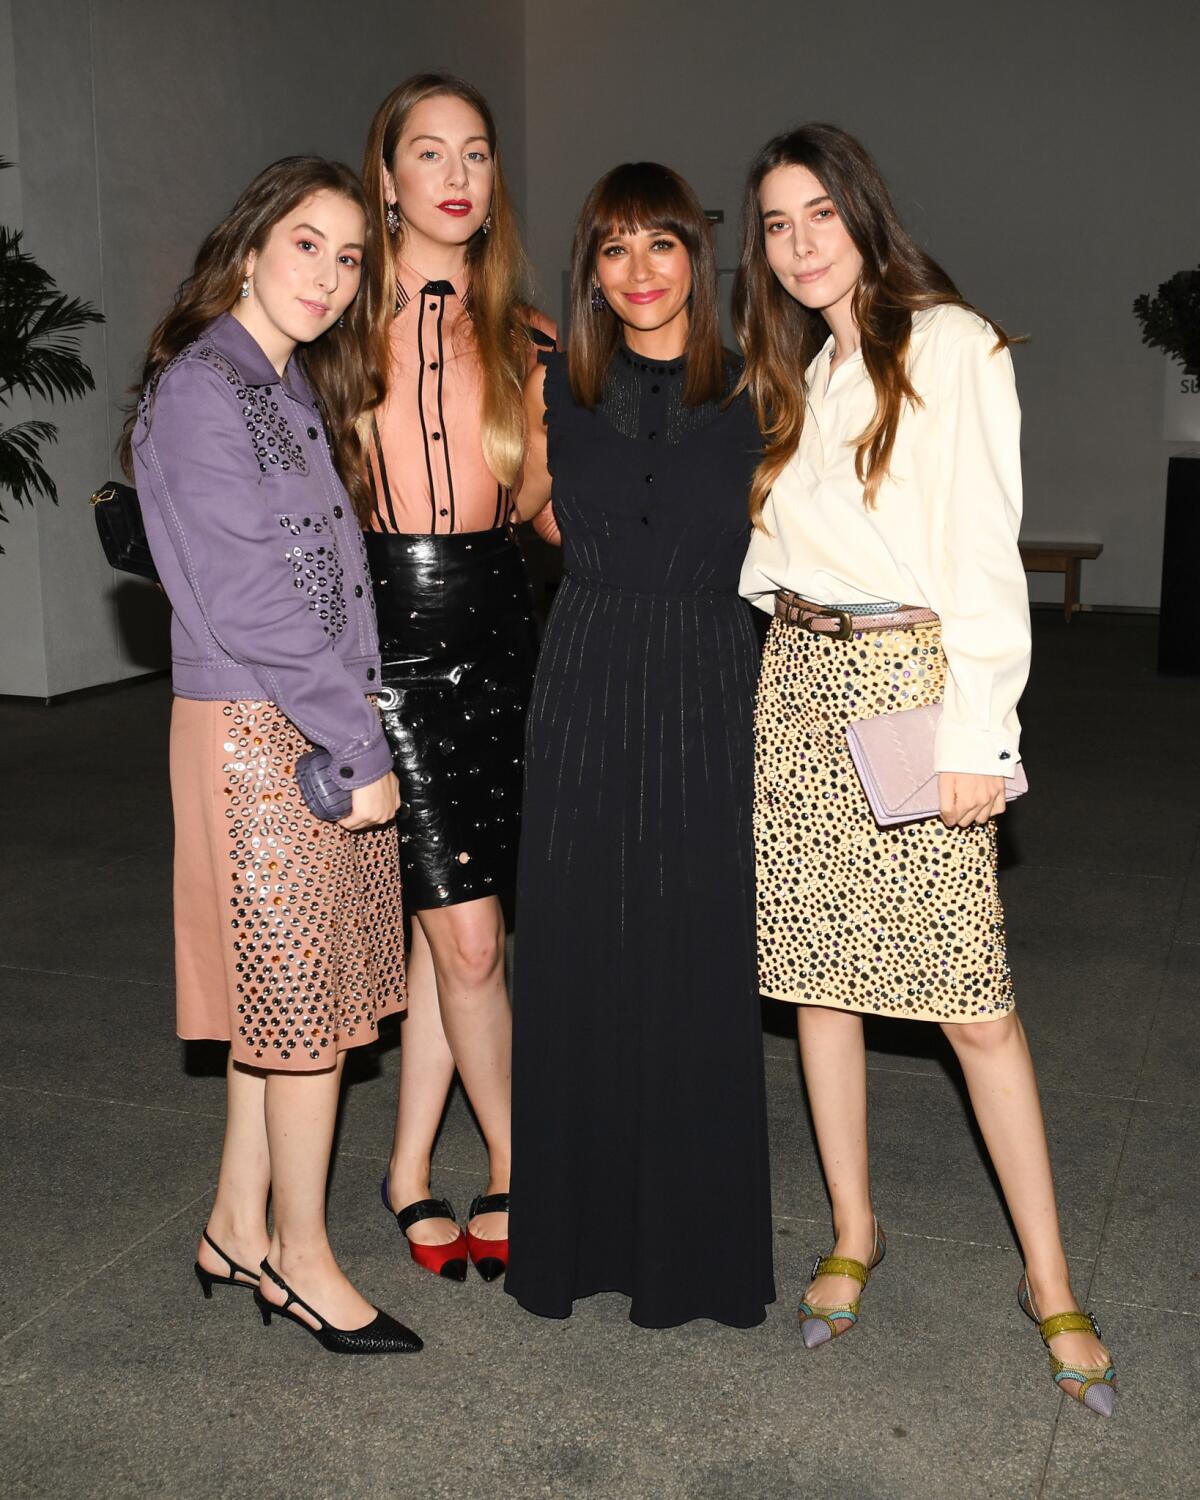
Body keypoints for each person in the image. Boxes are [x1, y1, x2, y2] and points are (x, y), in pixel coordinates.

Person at [736, 123, 1116, 1414]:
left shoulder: (950, 345)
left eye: (818, 217)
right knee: (819, 983)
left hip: (909, 690)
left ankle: (1049, 1275)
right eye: (776, 225)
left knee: (971, 1000)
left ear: (863, 214)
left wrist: (978, 737)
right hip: (796, 687)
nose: (798, 246)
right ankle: (855, 1226)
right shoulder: (798, 368)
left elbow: (980, 554)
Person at [124, 156, 420, 1355]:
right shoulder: (207, 391)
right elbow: (249, 595)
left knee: (286, 999)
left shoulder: (280, 387)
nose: (331, 276)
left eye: (352, 258)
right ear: (251, 247)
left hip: (299, 718)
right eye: (309, 244)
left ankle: (236, 1221)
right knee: (299, 1010)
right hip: (266, 734)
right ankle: (300, 1261)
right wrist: (356, 735)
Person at [506, 162, 776, 1328]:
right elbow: (527, 512)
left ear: (697, 257)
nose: (639, 271)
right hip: (587, 673)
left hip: (713, 679)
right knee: (577, 953)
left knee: (695, 952)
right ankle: (572, 1241)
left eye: (660, 244)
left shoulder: (765, 387)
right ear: (592, 272)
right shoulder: (551, 381)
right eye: (612, 250)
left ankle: (696, 1255)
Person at [358, 75, 556, 1281]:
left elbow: (540, 517)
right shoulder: (327, 324)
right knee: (473, 941)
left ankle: (403, 1172)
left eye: (475, 154)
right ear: (385, 180)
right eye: (427, 154)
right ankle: (525, 1164)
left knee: (461, 921)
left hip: (502, 637)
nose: (454, 175)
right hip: (381, 649)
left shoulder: (526, 336)